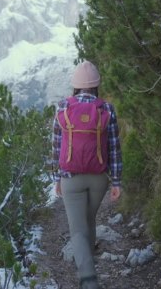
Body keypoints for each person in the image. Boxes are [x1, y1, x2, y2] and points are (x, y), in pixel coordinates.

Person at [51, 60, 123, 289]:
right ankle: (89, 265)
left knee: (77, 230)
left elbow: (55, 146)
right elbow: (114, 147)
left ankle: (88, 281)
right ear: (96, 85)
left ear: (75, 86)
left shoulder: (63, 107)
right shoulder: (106, 109)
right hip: (99, 179)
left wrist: (56, 177)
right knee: (88, 220)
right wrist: (117, 181)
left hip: (71, 178)